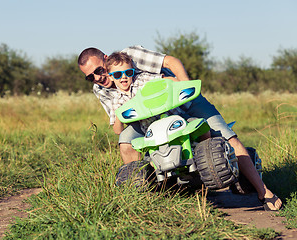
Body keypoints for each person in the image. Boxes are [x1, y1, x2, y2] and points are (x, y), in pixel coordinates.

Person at [78, 45, 282, 211]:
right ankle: (144, 195)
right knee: (126, 142)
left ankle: (262, 190)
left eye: (98, 71)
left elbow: (169, 64)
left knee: (222, 134)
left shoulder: (132, 58)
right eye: (90, 77)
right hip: (145, 119)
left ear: (105, 59)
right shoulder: (101, 89)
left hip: (181, 102)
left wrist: (185, 85)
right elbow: (117, 123)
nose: (97, 78)